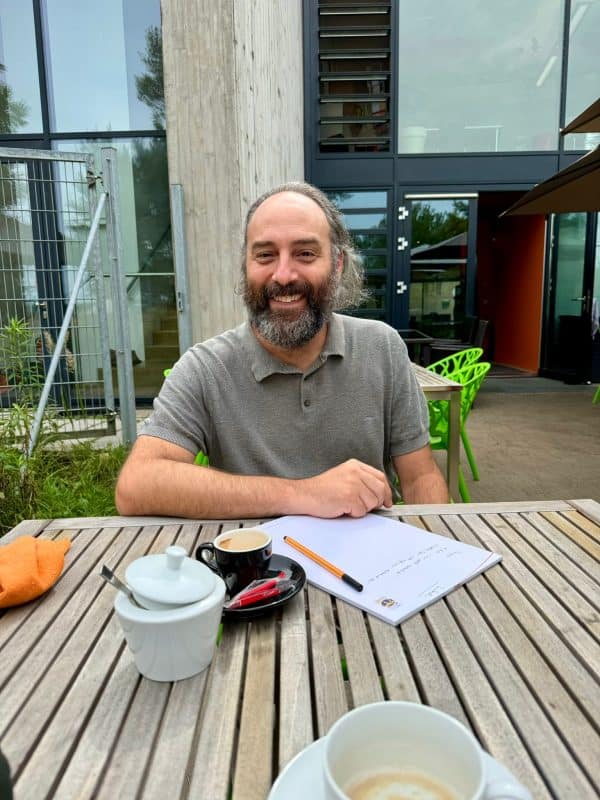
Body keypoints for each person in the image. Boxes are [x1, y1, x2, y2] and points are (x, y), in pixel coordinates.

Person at [115, 182, 448, 519]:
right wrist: (304, 495)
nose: (284, 275)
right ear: (245, 266)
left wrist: (437, 553)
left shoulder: (382, 348)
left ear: (337, 264)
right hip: (256, 566)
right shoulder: (206, 368)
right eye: (265, 255)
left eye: (305, 253)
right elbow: (138, 484)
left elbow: (420, 476)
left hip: (366, 567)